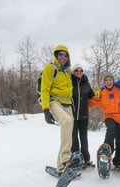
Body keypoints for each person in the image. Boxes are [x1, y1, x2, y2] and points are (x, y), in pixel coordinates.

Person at [41, 44, 74, 174]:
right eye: (60, 54)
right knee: (66, 121)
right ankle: (66, 158)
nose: (63, 57)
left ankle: (60, 168)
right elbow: (44, 89)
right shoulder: (50, 68)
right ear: (56, 55)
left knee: (67, 134)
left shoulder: (68, 71)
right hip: (54, 102)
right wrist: (45, 109)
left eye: (65, 55)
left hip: (67, 104)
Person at [89, 72, 120, 170]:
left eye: (110, 80)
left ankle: (118, 163)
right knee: (111, 128)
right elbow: (92, 101)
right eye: (106, 80)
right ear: (104, 82)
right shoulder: (102, 93)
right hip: (109, 117)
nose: (108, 82)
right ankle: (106, 151)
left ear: (113, 81)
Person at [71, 64, 95, 168]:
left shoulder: (86, 83)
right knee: (74, 139)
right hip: (72, 115)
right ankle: (76, 159)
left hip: (84, 115)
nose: (79, 72)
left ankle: (86, 159)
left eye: (81, 70)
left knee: (84, 138)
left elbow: (92, 95)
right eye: (76, 70)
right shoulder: (70, 82)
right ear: (73, 72)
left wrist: (98, 94)